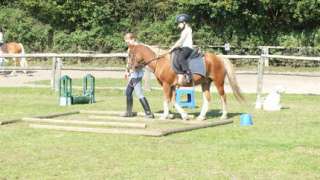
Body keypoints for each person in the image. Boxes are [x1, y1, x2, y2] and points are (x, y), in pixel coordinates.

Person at [121, 33, 154, 118]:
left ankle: (149, 113)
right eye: (126, 42)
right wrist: (126, 71)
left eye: (128, 41)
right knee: (128, 92)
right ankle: (129, 112)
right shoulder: (130, 49)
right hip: (133, 74)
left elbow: (144, 61)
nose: (127, 43)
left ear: (132, 39)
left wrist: (135, 68)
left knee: (139, 93)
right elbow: (128, 61)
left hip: (137, 74)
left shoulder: (140, 48)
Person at [169, 14, 193, 83]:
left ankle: (188, 73)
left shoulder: (187, 29)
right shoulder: (184, 31)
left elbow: (181, 41)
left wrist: (172, 48)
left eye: (179, 23)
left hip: (187, 48)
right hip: (183, 47)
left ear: (184, 22)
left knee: (181, 58)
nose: (178, 25)